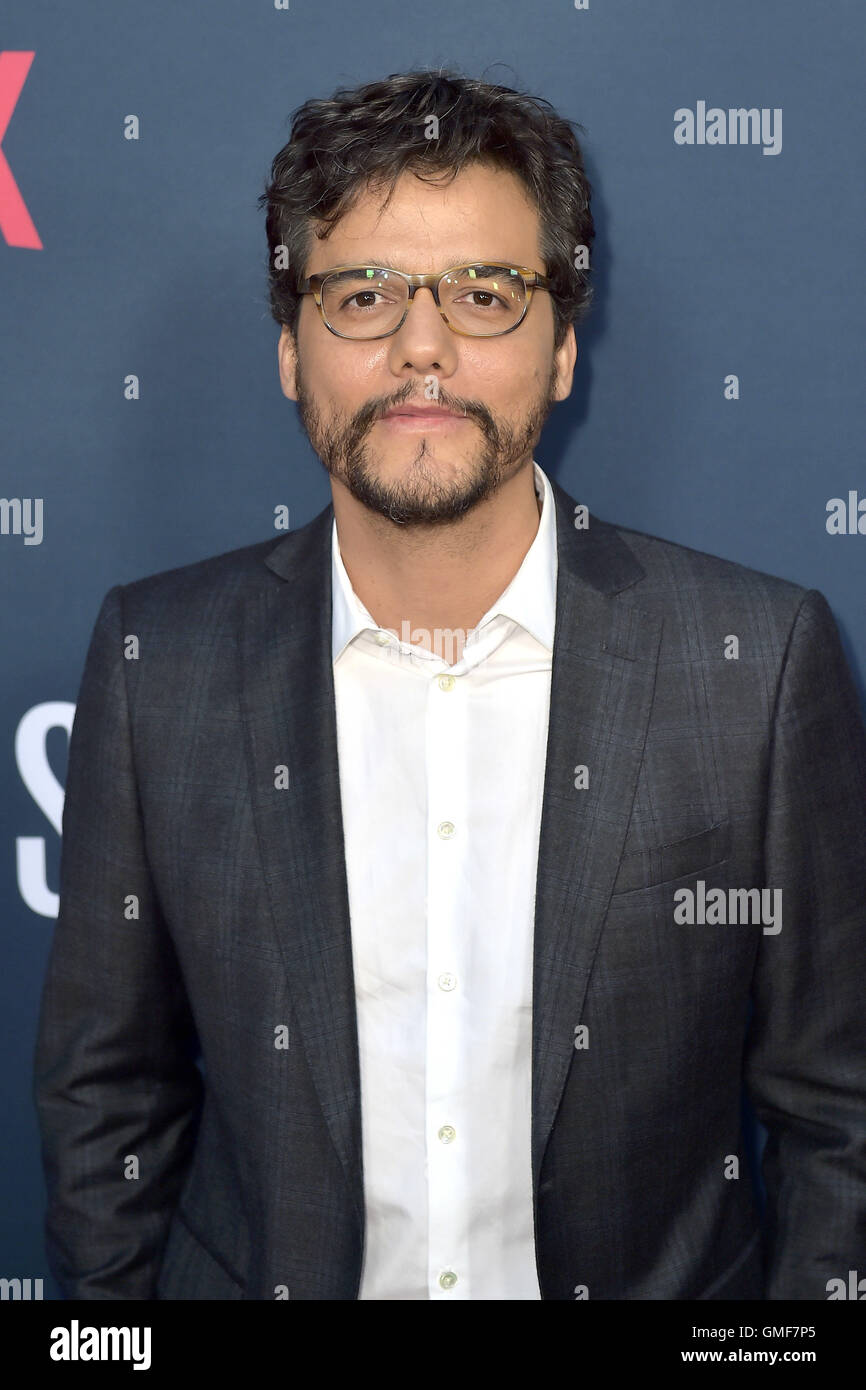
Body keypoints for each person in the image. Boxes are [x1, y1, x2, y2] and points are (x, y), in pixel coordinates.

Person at [34, 68, 866, 1300]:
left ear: (563, 346)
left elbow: (835, 1113)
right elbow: (106, 1096)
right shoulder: (159, 662)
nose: (420, 347)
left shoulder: (753, 663)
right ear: (289, 349)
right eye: (362, 294)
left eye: (483, 293)